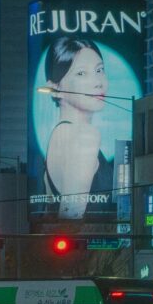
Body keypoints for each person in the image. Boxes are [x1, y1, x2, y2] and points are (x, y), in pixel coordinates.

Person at [40, 37, 114, 220]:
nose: (98, 82)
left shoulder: (57, 136)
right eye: (81, 73)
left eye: (99, 70)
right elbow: (70, 217)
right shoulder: (84, 136)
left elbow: (50, 215)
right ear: (55, 87)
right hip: (88, 238)